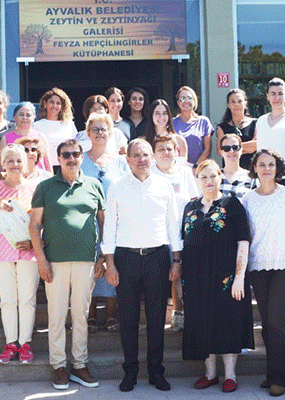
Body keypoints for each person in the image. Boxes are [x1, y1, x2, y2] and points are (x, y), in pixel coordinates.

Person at [102, 139, 181, 392]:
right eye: (136, 155)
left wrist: (176, 259)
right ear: (127, 159)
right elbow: (109, 226)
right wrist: (110, 262)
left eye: (145, 154)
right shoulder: (117, 186)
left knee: (157, 318)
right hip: (126, 259)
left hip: (158, 257)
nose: (141, 159)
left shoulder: (164, 185)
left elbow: (172, 223)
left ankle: (156, 371)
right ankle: (130, 371)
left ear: (153, 157)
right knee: (128, 318)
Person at [30, 139, 106, 389]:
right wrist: (41, 259)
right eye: (66, 155)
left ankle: (80, 365)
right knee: (57, 315)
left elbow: (103, 223)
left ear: (82, 157)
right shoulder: (45, 187)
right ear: (59, 158)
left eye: (75, 154)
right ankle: (59, 366)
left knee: (81, 315)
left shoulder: (94, 185)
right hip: (54, 261)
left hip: (86, 260)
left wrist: (103, 256)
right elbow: (34, 225)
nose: (71, 158)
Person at [181, 160, 253, 394]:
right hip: (196, 278)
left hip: (226, 277)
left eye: (213, 176)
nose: (209, 181)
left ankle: (230, 375)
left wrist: (239, 277)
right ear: (197, 180)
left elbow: (243, 242)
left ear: (220, 177)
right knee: (202, 323)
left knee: (227, 322)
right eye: (203, 177)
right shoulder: (190, 207)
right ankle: (210, 374)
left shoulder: (232, 205)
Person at [242, 150, 285, 398]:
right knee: (267, 323)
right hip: (258, 266)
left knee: (275, 322)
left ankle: (279, 378)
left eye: (271, 164)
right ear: (255, 169)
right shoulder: (248, 199)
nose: (267, 168)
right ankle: (271, 374)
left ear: (277, 168)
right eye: (262, 164)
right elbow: (246, 236)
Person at [0, 144, 44, 365]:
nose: (15, 165)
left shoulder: (35, 188)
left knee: (27, 300)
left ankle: (25, 344)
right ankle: (11, 343)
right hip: (1, 252)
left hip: (28, 250)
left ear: (25, 163)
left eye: (18, 160)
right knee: (7, 300)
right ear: (3, 164)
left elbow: (43, 222)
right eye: (10, 161)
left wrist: (34, 242)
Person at [79, 112, 129, 334]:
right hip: (86, 222)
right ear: (88, 133)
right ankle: (89, 315)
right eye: (95, 129)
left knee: (112, 265)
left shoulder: (120, 162)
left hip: (115, 222)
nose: (99, 133)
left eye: (103, 129)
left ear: (110, 133)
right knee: (89, 268)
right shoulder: (80, 159)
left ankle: (111, 314)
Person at [151, 135, 199, 332]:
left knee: (180, 274)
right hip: (157, 233)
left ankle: (178, 313)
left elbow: (195, 201)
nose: (166, 153)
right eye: (161, 149)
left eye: (169, 149)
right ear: (154, 154)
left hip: (184, 232)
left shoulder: (185, 173)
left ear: (176, 152)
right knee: (161, 277)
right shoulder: (149, 173)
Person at [0, 101, 50, 173]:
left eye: (28, 115)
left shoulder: (41, 137)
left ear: (34, 117)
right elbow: (1, 167)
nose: (25, 118)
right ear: (15, 117)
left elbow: (48, 165)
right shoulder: (6, 138)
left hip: (39, 178)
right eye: (21, 114)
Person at [33, 87, 78, 171]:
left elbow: (76, 147)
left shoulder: (69, 125)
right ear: (45, 104)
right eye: (51, 102)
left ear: (62, 107)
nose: (54, 106)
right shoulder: (36, 126)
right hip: (44, 170)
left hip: (66, 168)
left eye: (58, 103)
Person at [173, 86, 214, 167]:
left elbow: (207, 149)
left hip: (199, 168)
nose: (186, 101)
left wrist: (195, 167)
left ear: (194, 101)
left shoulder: (203, 122)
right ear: (178, 102)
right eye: (182, 98)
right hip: (178, 168)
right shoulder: (172, 122)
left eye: (189, 98)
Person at [216, 89, 257, 170]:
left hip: (251, 171)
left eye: (239, 101)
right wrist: (246, 147)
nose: (236, 105)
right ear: (229, 105)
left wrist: (229, 148)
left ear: (245, 103)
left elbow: (255, 146)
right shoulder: (222, 127)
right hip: (230, 172)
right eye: (233, 102)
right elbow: (220, 151)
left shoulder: (255, 123)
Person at [219, 133, 257, 201]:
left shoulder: (251, 177)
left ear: (241, 150)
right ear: (221, 152)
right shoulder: (214, 176)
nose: (231, 151)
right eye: (226, 148)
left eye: (235, 147)